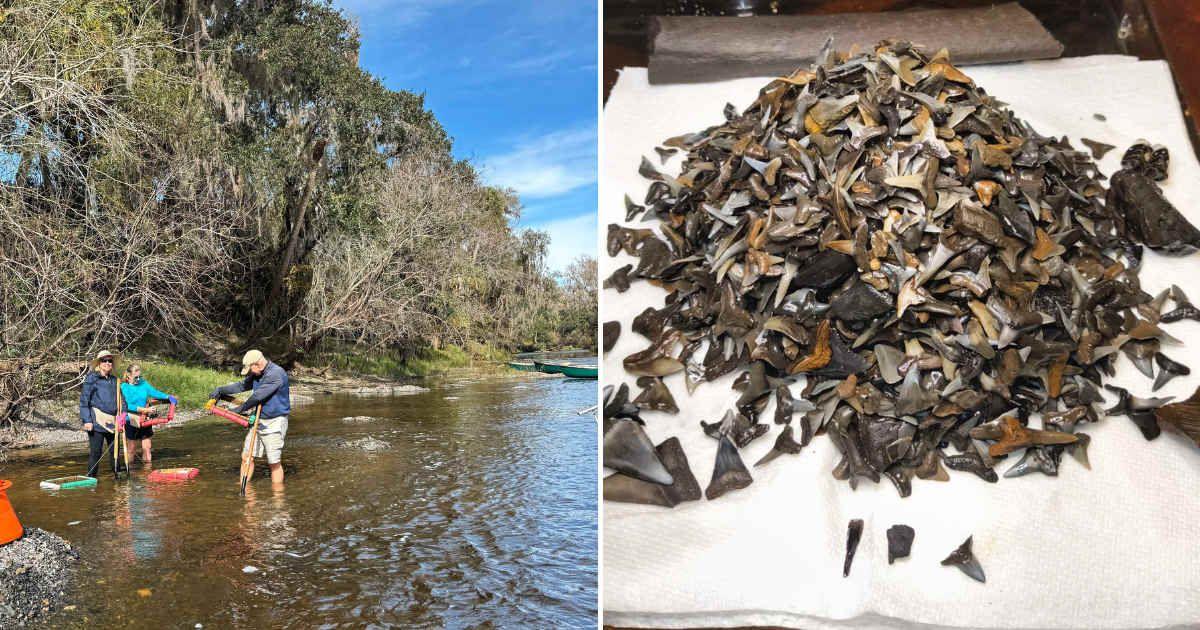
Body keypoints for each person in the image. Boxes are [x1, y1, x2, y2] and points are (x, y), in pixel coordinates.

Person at [210, 350, 291, 485]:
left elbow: (257, 397)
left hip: (275, 422)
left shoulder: (276, 374)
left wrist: (237, 410)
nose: (250, 373)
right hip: (258, 420)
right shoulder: (257, 373)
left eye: (250, 369)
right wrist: (220, 390)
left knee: (274, 462)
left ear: (258, 364)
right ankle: (245, 487)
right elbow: (241, 386)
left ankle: (278, 499)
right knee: (246, 457)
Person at [119, 364, 177, 466]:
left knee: (147, 447)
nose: (138, 379)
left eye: (139, 377)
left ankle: (147, 472)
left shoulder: (143, 383)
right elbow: (128, 406)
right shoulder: (124, 387)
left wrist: (168, 396)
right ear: (128, 375)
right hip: (131, 418)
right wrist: (145, 409)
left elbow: (154, 392)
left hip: (145, 418)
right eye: (135, 377)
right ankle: (131, 471)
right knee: (131, 449)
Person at [80, 350, 123, 478]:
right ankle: (91, 478)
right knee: (96, 453)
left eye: (110, 361)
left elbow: (122, 401)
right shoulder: (91, 379)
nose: (108, 363)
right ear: (99, 363)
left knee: (115, 452)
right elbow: (84, 401)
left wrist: (122, 417)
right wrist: (87, 420)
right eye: (105, 360)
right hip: (96, 422)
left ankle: (118, 477)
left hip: (114, 422)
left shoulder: (116, 380)